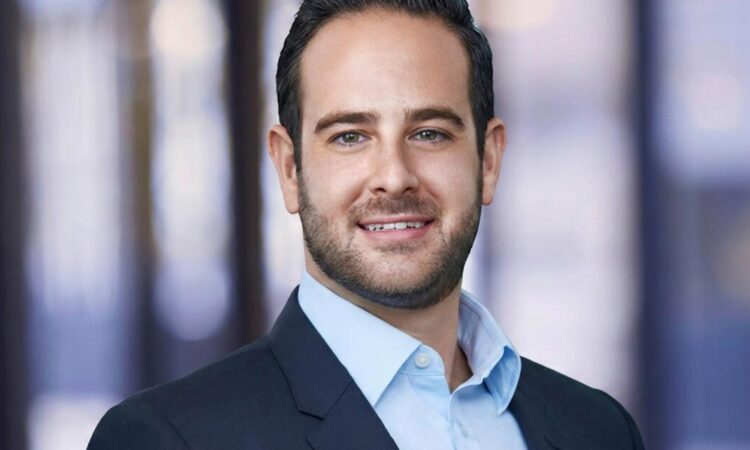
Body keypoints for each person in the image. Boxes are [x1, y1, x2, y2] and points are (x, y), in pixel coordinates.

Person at [89, 1, 644, 449]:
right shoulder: (169, 439)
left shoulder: (598, 430)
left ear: (489, 160)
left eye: (429, 133)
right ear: (290, 170)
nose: (394, 177)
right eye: (350, 136)